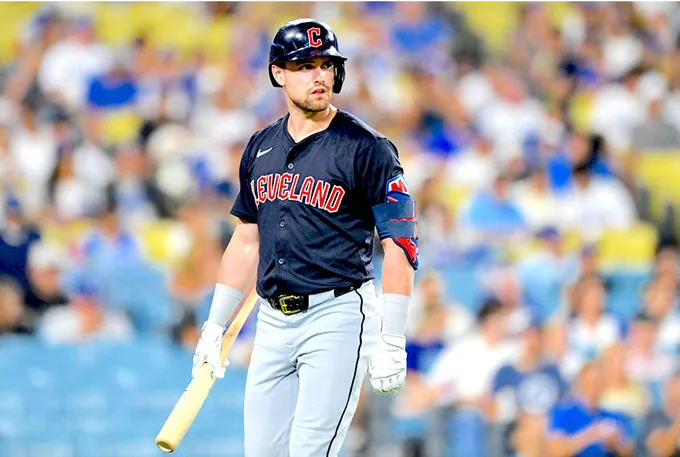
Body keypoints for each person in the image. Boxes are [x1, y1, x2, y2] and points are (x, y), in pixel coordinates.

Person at [191, 18, 418, 457]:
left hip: (337, 315)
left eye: (326, 64)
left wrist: (393, 335)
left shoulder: (367, 146)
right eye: (304, 65)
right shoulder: (260, 146)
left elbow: (401, 244)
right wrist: (215, 325)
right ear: (278, 73)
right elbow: (245, 241)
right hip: (273, 321)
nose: (319, 75)